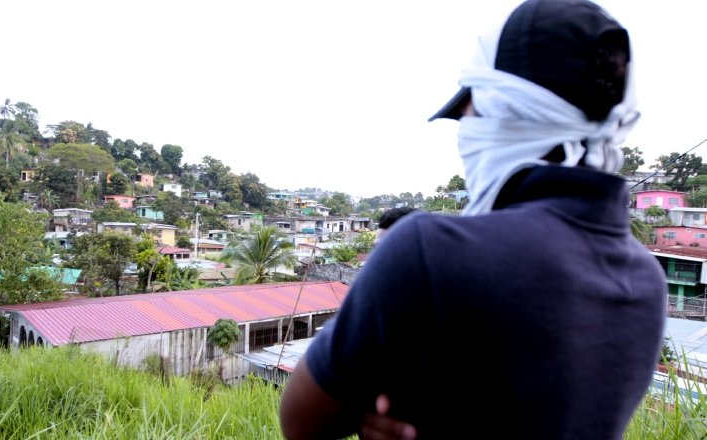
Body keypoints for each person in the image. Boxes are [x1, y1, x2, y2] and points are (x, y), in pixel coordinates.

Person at [279, 0, 667, 438]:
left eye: (468, 113)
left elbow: (301, 421)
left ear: (500, 110)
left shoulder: (429, 248)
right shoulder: (647, 280)